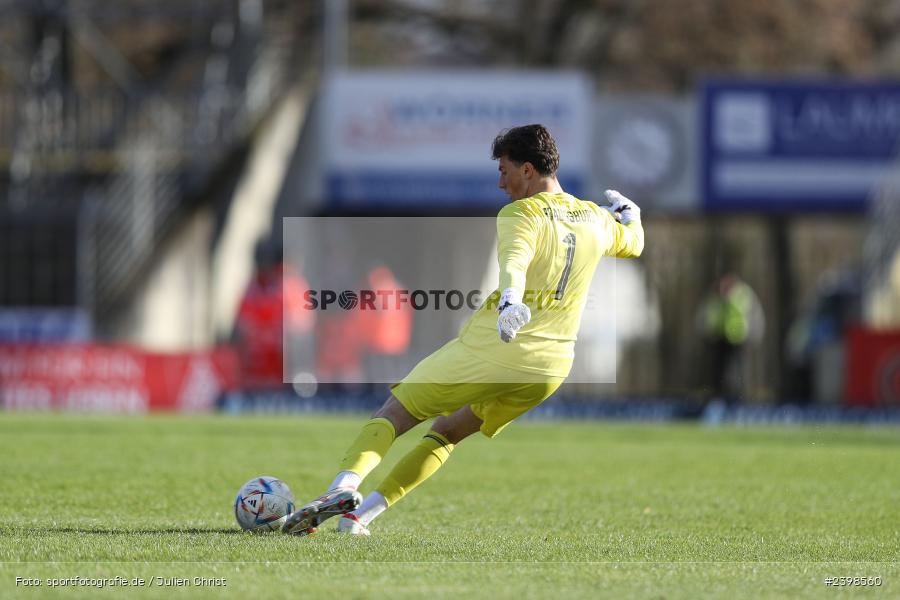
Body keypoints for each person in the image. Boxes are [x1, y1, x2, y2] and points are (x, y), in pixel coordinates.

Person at [282, 124, 645, 536]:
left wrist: (512, 300)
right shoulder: (594, 218)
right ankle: (358, 519)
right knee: (448, 433)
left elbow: (516, 261)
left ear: (528, 169)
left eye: (505, 170)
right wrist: (632, 217)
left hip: (496, 348)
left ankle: (344, 486)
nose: (500, 181)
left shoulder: (520, 213)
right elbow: (633, 242)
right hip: (550, 368)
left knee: (396, 413)